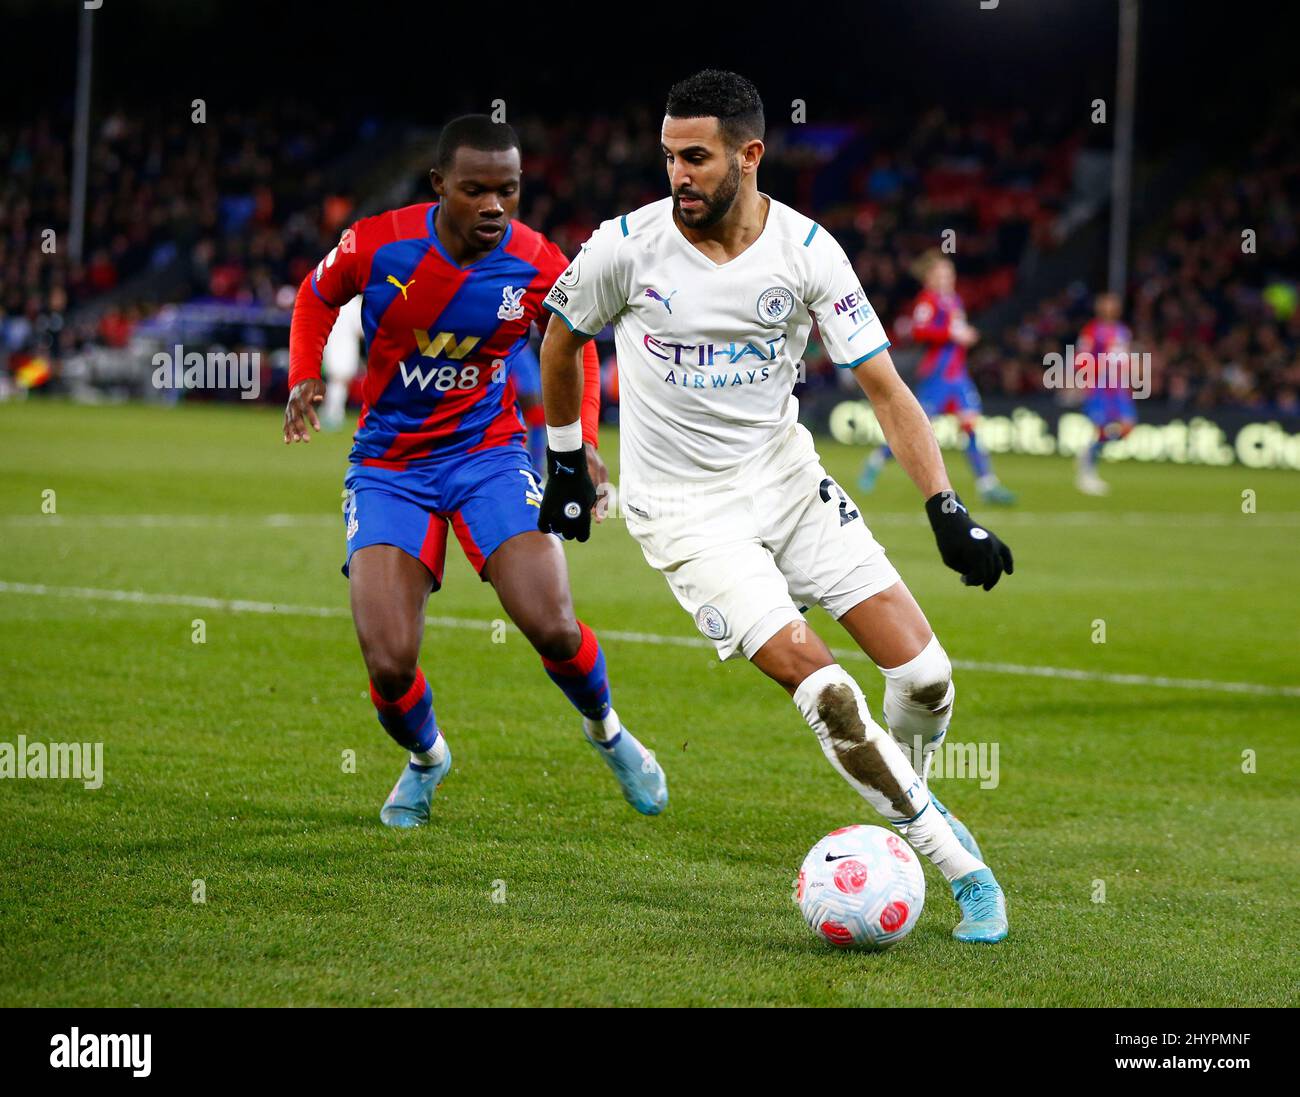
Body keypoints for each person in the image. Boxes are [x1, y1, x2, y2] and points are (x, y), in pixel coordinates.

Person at [538, 71, 1011, 942]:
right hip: (684, 511)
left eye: (697, 157)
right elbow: (560, 337)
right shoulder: (625, 246)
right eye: (669, 157)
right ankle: (957, 862)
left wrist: (946, 508)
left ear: (749, 156)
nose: (678, 175)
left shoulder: (807, 250)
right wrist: (569, 459)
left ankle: (909, 799)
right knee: (827, 689)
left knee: (927, 679)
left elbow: (885, 386)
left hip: (788, 483)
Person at [283, 115, 667, 828]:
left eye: (508, 191)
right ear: (439, 187)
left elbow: (575, 342)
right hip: (390, 467)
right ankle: (428, 757)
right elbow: (315, 295)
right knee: (390, 664)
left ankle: (608, 731)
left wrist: (578, 438)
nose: (494, 205)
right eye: (475, 190)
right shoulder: (377, 241)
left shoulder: (536, 259)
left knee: (551, 623)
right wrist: (305, 372)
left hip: (487, 455)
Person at [859, 252, 1016, 505]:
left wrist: (964, 335)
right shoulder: (927, 301)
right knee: (915, 427)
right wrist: (951, 333)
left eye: (949, 274)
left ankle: (988, 484)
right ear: (929, 278)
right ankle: (877, 458)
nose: (947, 279)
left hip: (958, 376)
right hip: (937, 375)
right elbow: (919, 331)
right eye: (941, 274)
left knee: (970, 426)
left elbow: (955, 332)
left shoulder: (953, 300)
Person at [1075, 292, 1137, 495]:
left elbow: (1125, 358)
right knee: (1101, 427)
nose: (1110, 308)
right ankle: (1088, 473)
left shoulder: (1123, 331)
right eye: (1106, 304)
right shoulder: (1092, 330)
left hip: (1118, 388)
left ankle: (1089, 452)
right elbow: (1081, 358)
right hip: (1100, 387)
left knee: (1127, 427)